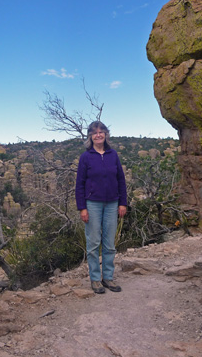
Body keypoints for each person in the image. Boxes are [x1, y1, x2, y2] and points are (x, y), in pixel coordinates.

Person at [75, 121, 127, 294]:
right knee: (93, 243)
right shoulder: (86, 157)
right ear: (90, 136)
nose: (98, 135)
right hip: (93, 204)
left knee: (109, 243)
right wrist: (82, 207)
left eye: (101, 132)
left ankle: (108, 278)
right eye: (95, 132)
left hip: (112, 203)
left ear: (106, 134)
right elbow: (80, 184)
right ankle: (95, 280)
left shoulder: (113, 155)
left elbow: (121, 180)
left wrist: (123, 202)